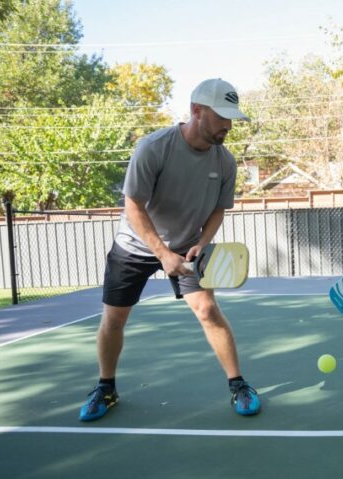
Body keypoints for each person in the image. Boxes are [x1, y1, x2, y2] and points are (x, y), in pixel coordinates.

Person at [79, 78, 261, 421]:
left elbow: (218, 209)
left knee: (208, 311)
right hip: (135, 244)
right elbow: (133, 205)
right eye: (221, 116)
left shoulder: (225, 163)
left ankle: (238, 384)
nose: (228, 125)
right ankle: (105, 387)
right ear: (196, 111)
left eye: (232, 117)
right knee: (114, 319)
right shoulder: (154, 147)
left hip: (186, 246)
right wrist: (162, 253)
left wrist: (201, 244)